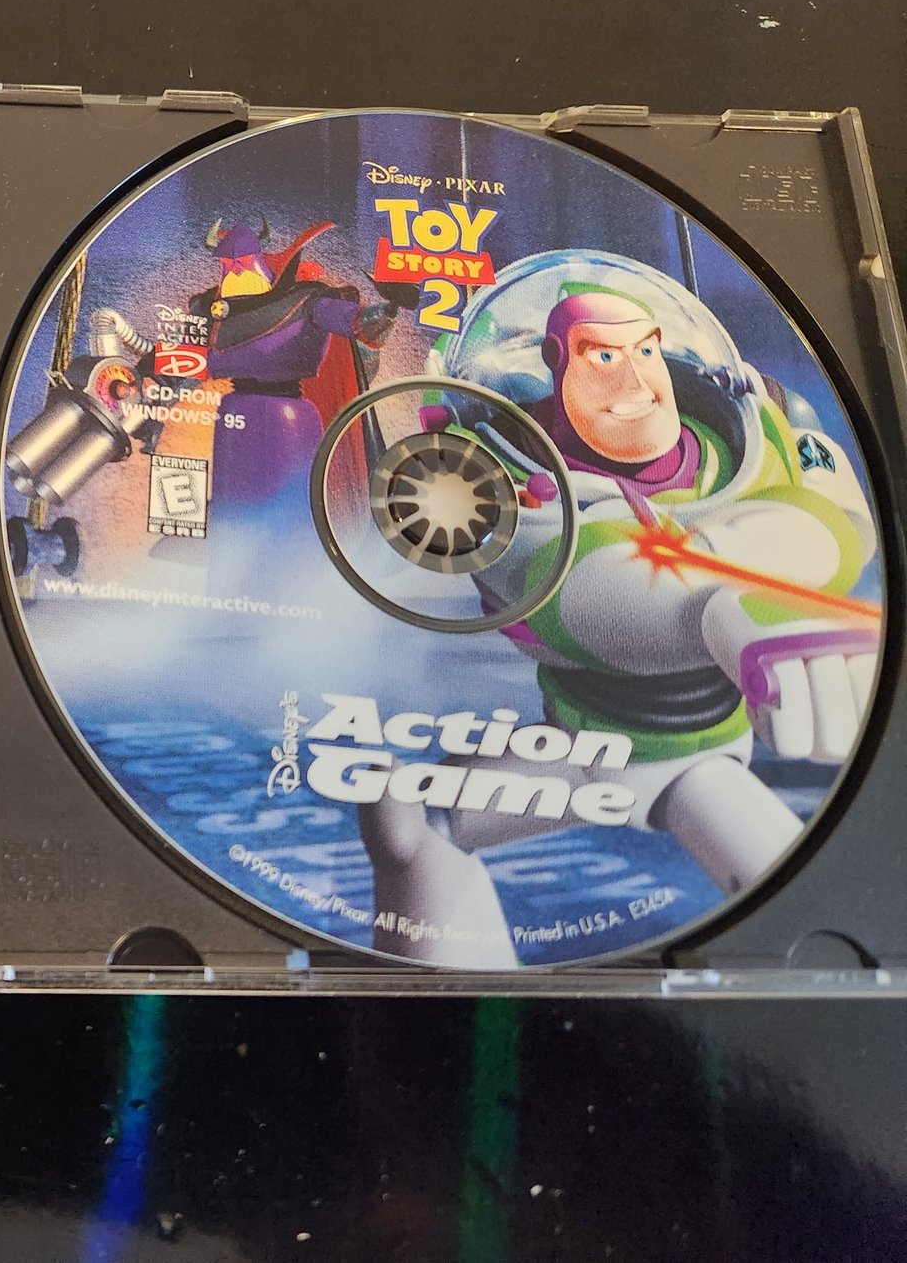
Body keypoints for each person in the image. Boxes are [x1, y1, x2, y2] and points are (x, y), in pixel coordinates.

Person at [360, 268, 879, 967]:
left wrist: (756, 592)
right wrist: (736, 600)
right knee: (405, 824)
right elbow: (598, 594)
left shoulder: (756, 432)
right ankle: (454, 1013)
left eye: (646, 351)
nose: (635, 381)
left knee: (803, 917)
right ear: (558, 361)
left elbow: (840, 518)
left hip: (694, 757)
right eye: (603, 355)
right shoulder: (493, 484)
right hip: (577, 747)